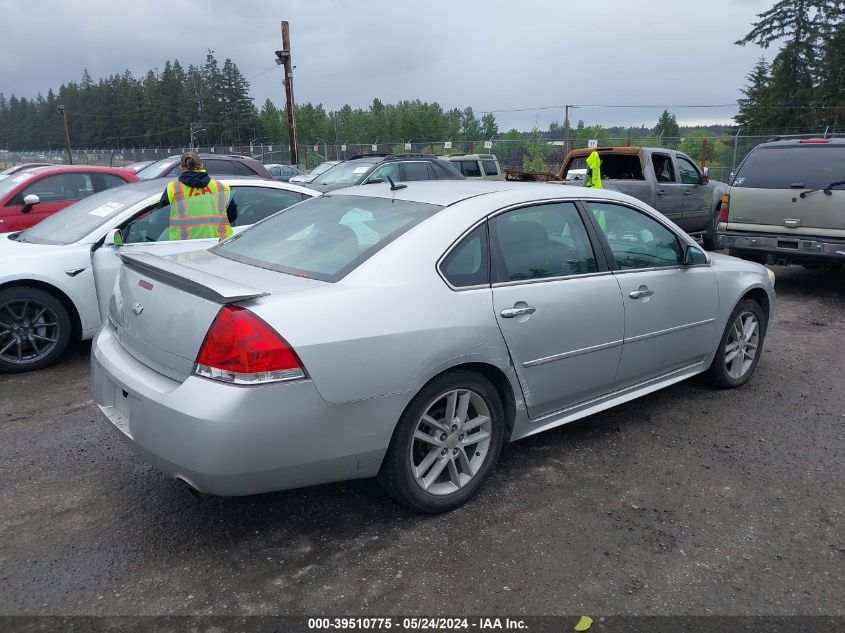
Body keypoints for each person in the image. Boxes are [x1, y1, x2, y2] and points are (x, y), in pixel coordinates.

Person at [158, 152, 237, 240]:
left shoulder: (173, 189)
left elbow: (160, 218)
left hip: (183, 246)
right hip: (218, 243)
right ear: (202, 165)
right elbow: (232, 215)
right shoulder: (221, 187)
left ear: (181, 167)